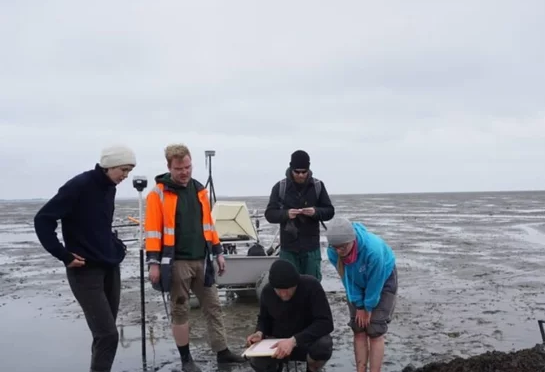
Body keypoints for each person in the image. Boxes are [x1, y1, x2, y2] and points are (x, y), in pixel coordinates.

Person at [33, 145, 137, 372]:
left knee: (103, 335)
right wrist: (63, 254)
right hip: (84, 271)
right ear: (109, 165)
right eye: (124, 169)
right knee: (108, 335)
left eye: (129, 170)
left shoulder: (110, 187)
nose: (126, 176)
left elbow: (99, 225)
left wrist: (116, 247)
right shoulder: (78, 185)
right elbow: (43, 220)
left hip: (110, 267)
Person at [145, 144, 243, 372]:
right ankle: (186, 359)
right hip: (176, 262)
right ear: (169, 167)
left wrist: (218, 253)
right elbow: (152, 231)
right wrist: (154, 264)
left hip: (203, 260)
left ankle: (222, 352)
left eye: (188, 167)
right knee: (180, 309)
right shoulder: (157, 194)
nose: (185, 172)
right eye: (179, 168)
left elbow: (209, 225)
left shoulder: (200, 190)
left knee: (214, 306)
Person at [326, 218, 398, 372]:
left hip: (383, 278)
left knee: (374, 330)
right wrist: (359, 305)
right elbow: (346, 279)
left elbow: (375, 283)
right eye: (335, 247)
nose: (339, 251)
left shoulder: (373, 250)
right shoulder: (333, 252)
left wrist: (368, 307)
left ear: (352, 240)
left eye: (343, 247)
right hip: (355, 282)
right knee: (358, 328)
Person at [246, 259, 334, 372]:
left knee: (324, 345)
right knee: (256, 358)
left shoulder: (312, 286)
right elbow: (264, 319)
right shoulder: (267, 291)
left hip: (306, 340)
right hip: (278, 342)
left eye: (288, 289)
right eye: (279, 290)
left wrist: (294, 341)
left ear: (296, 284)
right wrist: (259, 332)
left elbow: (326, 323)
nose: (284, 294)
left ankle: (313, 369)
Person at [264, 150, 335, 281]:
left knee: (312, 285)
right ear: (291, 169)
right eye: (297, 172)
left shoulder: (318, 186)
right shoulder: (280, 187)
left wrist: (315, 212)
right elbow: (269, 214)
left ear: (309, 169)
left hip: (311, 248)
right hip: (288, 248)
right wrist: (286, 214)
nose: (301, 175)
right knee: (288, 284)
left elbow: (330, 211)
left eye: (304, 171)